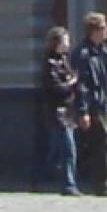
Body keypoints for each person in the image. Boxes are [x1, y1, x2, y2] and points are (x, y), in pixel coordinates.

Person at [74, 11, 107, 197]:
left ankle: (98, 181)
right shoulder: (84, 54)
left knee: (103, 144)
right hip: (93, 105)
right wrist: (83, 110)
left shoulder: (103, 52)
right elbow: (82, 84)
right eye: (103, 27)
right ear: (94, 31)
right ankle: (101, 184)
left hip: (103, 105)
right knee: (102, 143)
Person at [40, 25, 78, 196]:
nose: (68, 44)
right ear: (57, 43)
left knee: (56, 150)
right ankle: (68, 184)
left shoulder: (64, 60)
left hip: (68, 111)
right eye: (65, 41)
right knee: (67, 148)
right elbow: (54, 87)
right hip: (57, 111)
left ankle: (41, 179)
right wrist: (70, 83)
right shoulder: (49, 64)